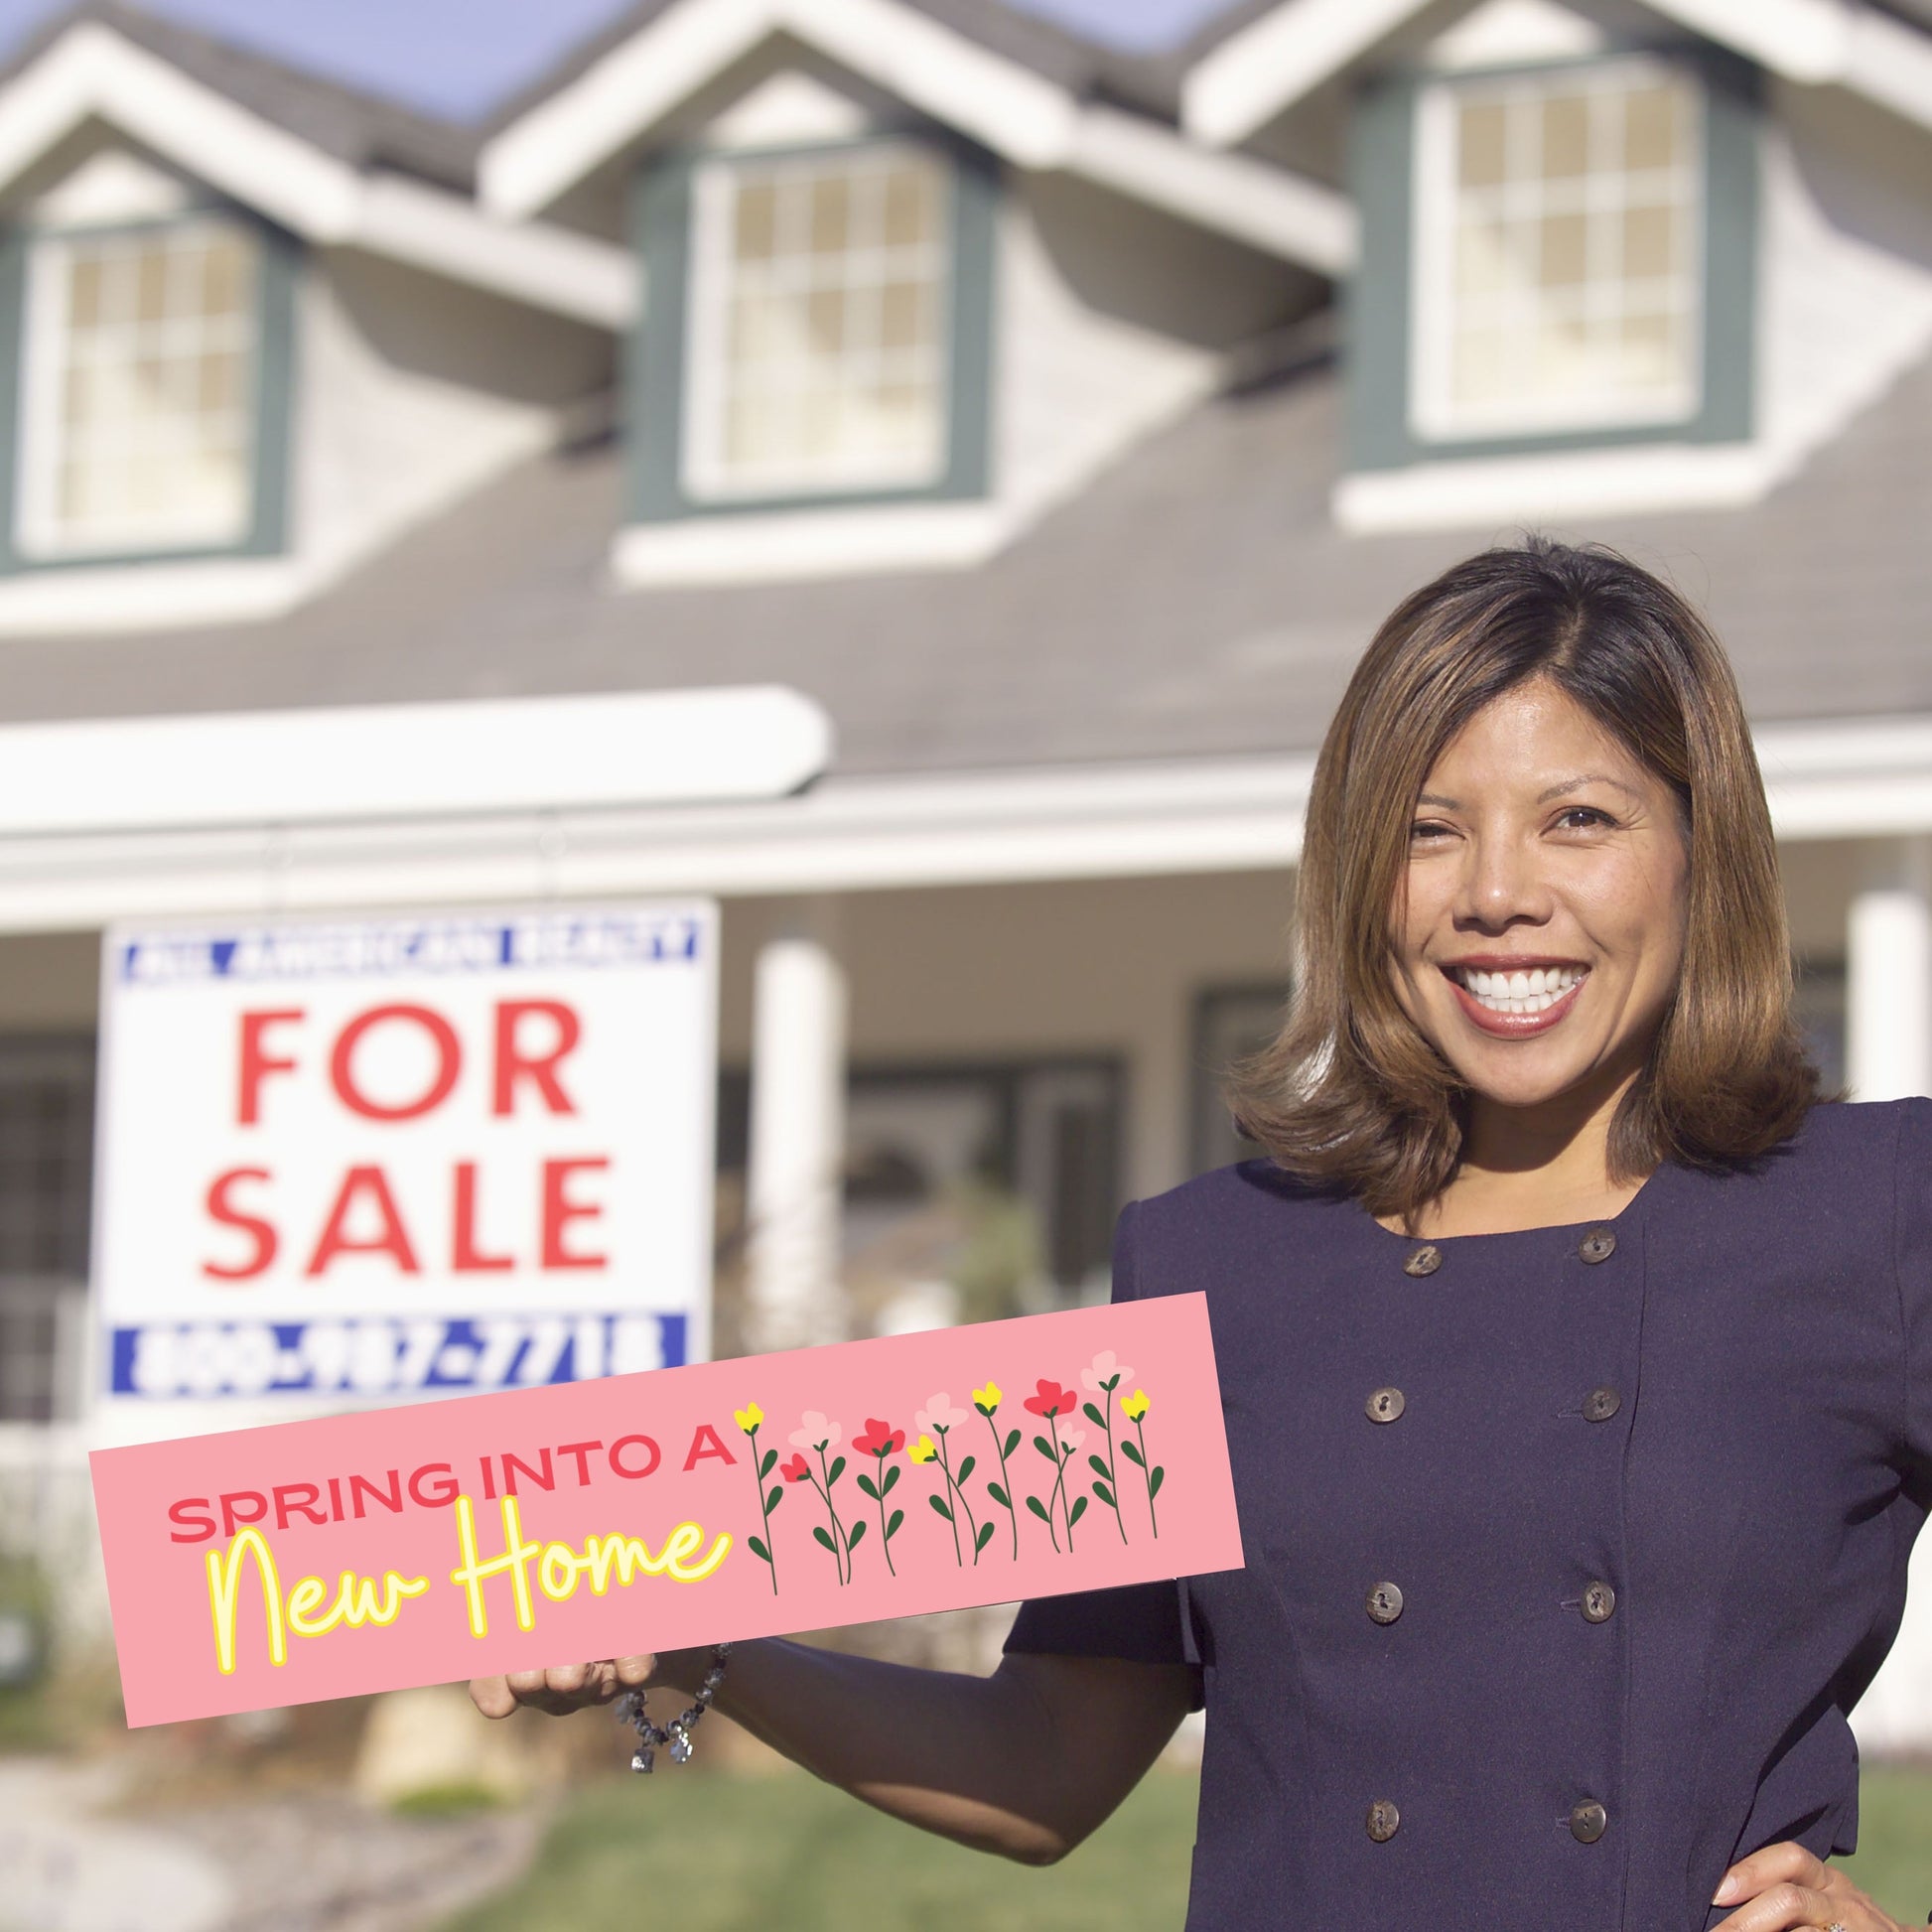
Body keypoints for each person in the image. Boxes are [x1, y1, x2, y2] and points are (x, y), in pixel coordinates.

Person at [472, 539, 1931, 1932]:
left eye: (1580, 820)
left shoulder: (1868, 1208)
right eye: (1429, 830)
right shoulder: (1212, 1264)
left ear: (1698, 851)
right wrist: (700, 1639)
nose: (1496, 894)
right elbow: (1045, 1760)